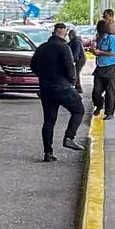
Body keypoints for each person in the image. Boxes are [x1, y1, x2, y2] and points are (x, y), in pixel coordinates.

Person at [30, 23, 85, 162]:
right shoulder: (64, 48)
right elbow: (70, 70)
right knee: (78, 110)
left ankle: (48, 153)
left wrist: (43, 77)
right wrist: (72, 82)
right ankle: (69, 137)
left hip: (46, 89)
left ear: (53, 33)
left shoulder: (42, 48)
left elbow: (33, 66)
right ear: (64, 33)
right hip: (62, 87)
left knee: (49, 121)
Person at [89, 18, 115, 120]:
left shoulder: (112, 39)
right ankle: (99, 105)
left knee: (110, 92)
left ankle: (109, 112)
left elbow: (113, 53)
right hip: (100, 67)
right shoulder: (100, 39)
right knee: (96, 91)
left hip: (111, 67)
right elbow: (98, 51)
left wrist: (100, 52)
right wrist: (94, 51)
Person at [67, 28, 86, 94]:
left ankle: (78, 87)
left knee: (76, 72)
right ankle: (77, 86)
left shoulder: (76, 42)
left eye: (69, 35)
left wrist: (72, 60)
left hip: (80, 59)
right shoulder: (74, 41)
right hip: (79, 59)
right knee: (76, 72)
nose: (68, 37)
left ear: (71, 35)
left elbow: (76, 53)